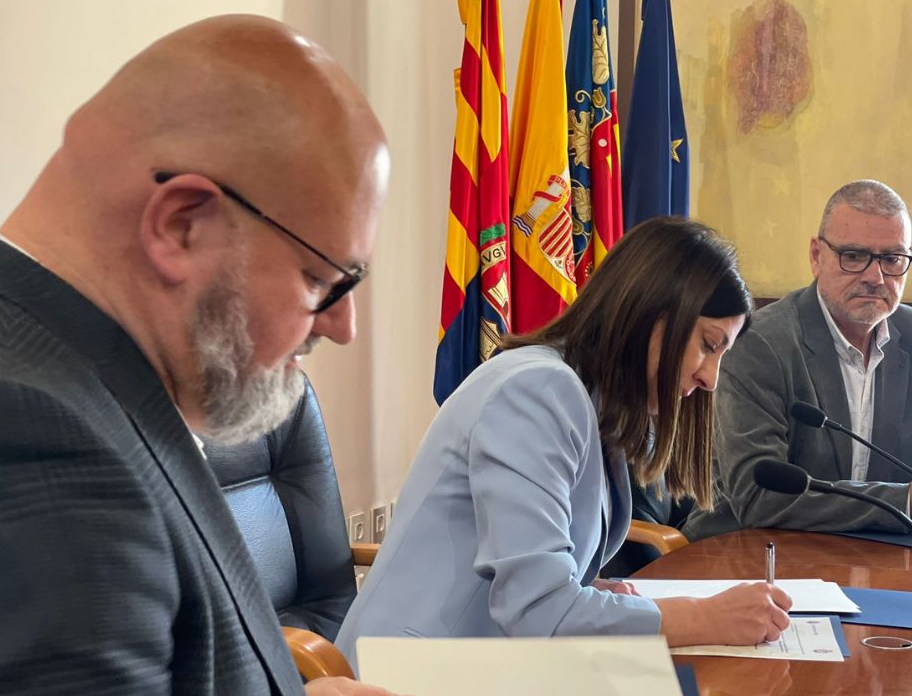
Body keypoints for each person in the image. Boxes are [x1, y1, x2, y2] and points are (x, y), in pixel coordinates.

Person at [0, 15, 398, 695]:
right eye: (322, 280)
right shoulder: (36, 439)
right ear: (182, 226)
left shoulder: (60, 374)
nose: (343, 325)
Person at [335, 217, 792, 669]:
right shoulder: (536, 391)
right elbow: (540, 613)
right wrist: (704, 617)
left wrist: (594, 600)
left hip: (483, 662)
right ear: (653, 315)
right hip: (407, 672)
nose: (711, 379)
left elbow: (540, 589)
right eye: (709, 345)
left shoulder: (591, 399)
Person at [684, 180, 912, 540]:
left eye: (892, 259)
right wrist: (905, 503)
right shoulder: (760, 342)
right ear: (816, 256)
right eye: (854, 256)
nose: (875, 277)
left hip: (881, 554)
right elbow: (759, 496)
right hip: (750, 551)